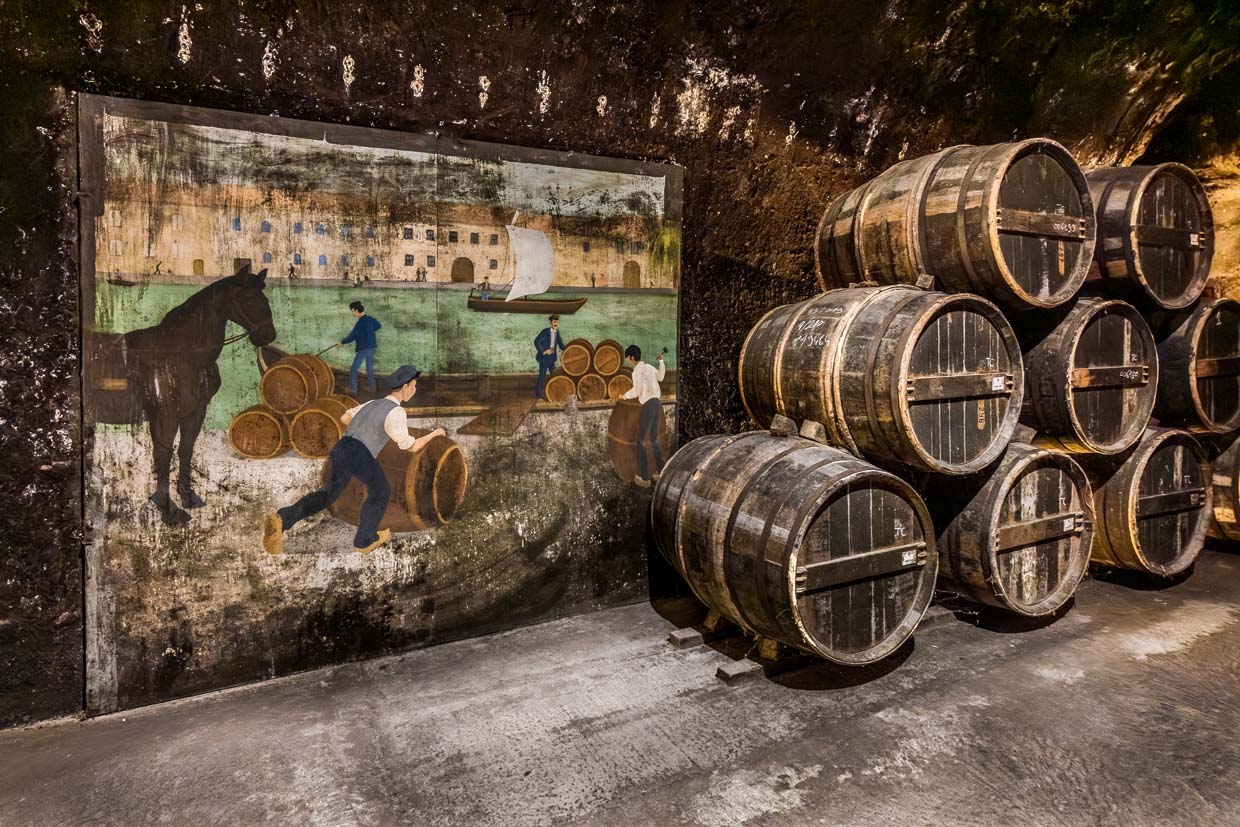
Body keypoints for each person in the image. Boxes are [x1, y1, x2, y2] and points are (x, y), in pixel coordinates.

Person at [263, 365, 446, 555]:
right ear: (406, 387)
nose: (414, 390)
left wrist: (368, 429)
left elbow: (344, 418)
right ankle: (364, 540)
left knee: (327, 495)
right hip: (359, 452)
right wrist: (434, 434)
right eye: (414, 386)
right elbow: (411, 446)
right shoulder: (397, 411)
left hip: (342, 447)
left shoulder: (373, 403)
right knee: (381, 491)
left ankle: (281, 519)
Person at [622, 345, 666, 488]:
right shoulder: (649, 367)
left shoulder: (636, 371)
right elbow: (661, 377)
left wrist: (625, 396)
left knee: (640, 441)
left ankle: (645, 477)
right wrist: (661, 362)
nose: (628, 361)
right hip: (657, 403)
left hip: (647, 405)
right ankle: (662, 473)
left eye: (628, 358)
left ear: (632, 358)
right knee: (653, 439)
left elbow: (637, 390)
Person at [336, 301, 382, 395]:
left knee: (353, 369)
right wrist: (368, 333)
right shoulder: (370, 319)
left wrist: (342, 342)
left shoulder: (360, 323)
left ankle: (353, 389)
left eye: (353, 311)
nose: (352, 313)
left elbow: (352, 336)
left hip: (363, 349)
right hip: (371, 347)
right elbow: (378, 326)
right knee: (369, 369)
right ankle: (372, 388)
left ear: (357, 310)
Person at [533, 314, 565, 399]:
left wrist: (569, 348)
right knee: (542, 377)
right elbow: (537, 341)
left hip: (552, 359)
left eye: (557, 322)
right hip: (544, 359)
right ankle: (538, 396)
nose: (556, 323)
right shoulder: (545, 331)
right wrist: (543, 351)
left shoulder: (557, 332)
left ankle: (554, 394)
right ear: (550, 322)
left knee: (554, 376)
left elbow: (561, 345)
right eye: (554, 322)